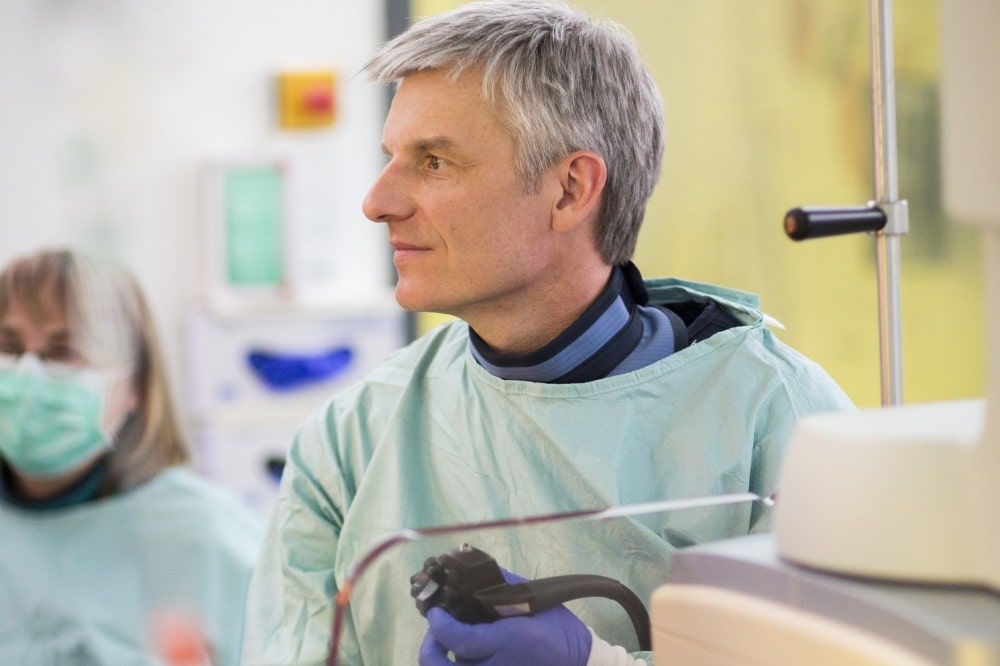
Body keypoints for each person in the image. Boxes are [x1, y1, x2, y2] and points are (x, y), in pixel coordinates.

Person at [241, 1, 856, 664]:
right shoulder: (350, 443)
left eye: (435, 162)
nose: (377, 201)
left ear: (570, 190)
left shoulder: (784, 426)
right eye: (391, 156)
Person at [0, 248, 265, 665]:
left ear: (135, 385)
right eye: (8, 348)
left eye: (61, 352)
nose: (27, 373)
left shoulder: (214, 543)